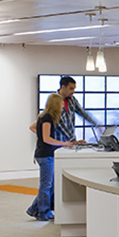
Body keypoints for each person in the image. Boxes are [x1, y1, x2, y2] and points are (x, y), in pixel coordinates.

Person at [27, 93, 73, 221]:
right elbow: (47, 139)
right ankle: (43, 212)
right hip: (45, 155)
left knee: (50, 184)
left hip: (45, 154)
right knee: (46, 185)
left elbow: (33, 127)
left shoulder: (43, 116)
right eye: (61, 104)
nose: (63, 107)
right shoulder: (47, 118)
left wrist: (41, 135)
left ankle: (34, 209)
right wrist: (64, 144)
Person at [56, 76, 101, 143]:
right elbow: (59, 124)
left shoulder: (72, 99)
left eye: (74, 89)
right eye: (71, 88)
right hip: (59, 141)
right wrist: (73, 140)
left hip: (70, 141)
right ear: (63, 87)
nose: (73, 91)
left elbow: (82, 113)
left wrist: (96, 124)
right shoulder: (54, 101)